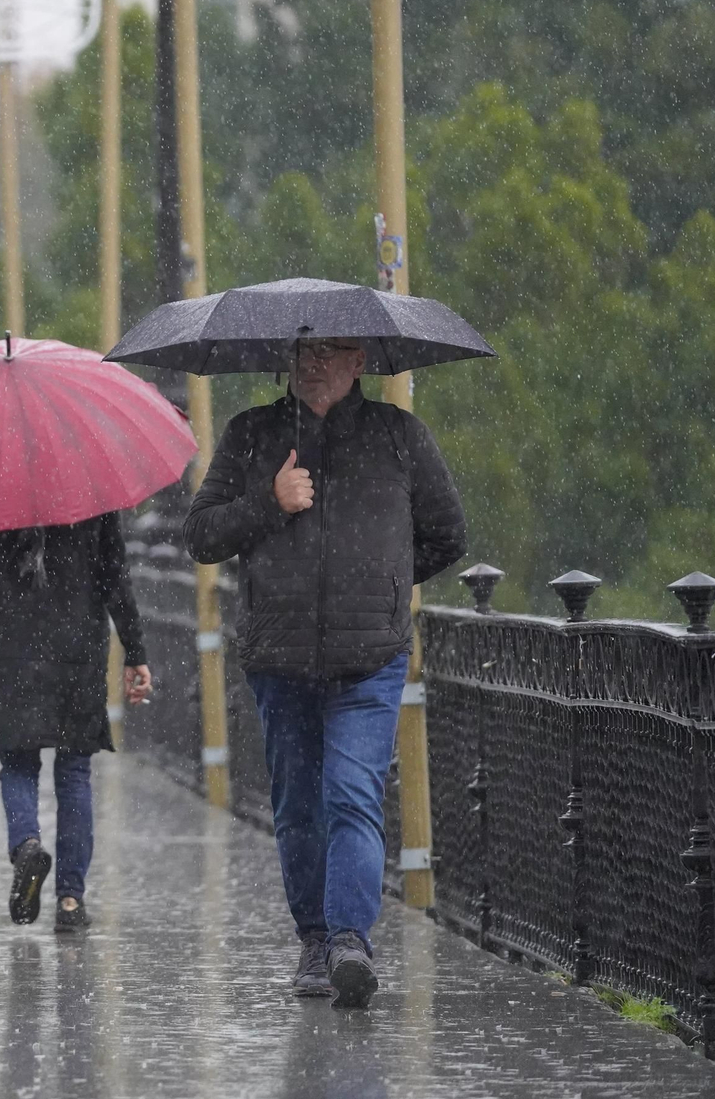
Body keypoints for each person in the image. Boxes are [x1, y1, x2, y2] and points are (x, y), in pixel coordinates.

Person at [184, 337, 466, 1007]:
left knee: (351, 794)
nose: (312, 363)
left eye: (332, 352)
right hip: (279, 657)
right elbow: (201, 535)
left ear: (360, 363)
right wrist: (268, 502)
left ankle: (349, 942)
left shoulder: (400, 436)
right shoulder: (252, 434)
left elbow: (448, 534)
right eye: (303, 352)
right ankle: (315, 940)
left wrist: (387, 584)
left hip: (370, 657)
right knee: (298, 807)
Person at [0, 514, 152, 932]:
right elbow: (114, 574)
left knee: (18, 764)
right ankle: (69, 901)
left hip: (15, 645)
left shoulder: (1, 479)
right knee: (75, 773)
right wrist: (135, 650)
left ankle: (26, 843)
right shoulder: (93, 487)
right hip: (78, 648)